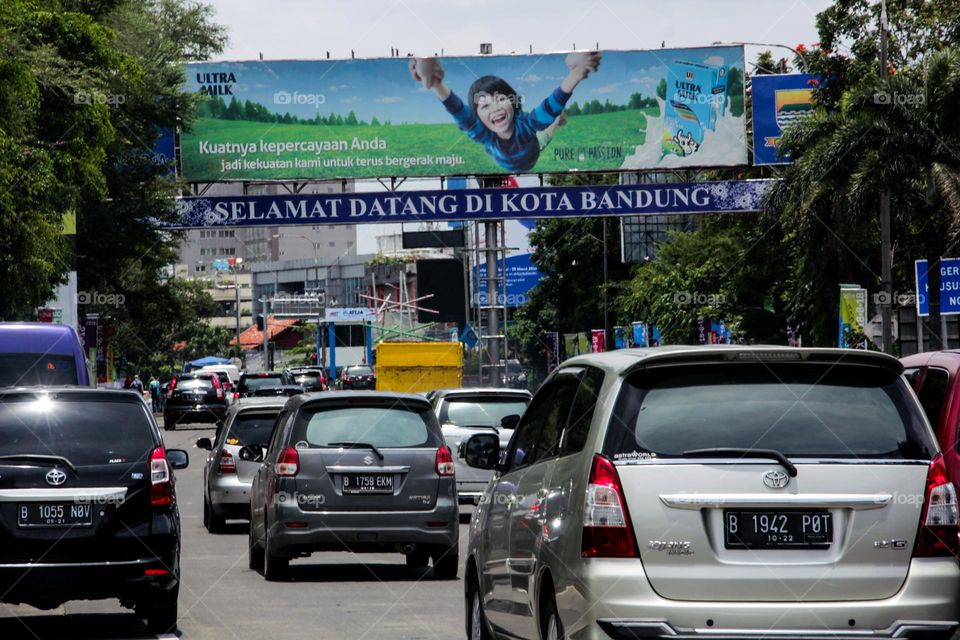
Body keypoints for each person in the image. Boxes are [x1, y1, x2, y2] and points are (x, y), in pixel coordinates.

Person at [409, 51, 600, 172]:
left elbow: (551, 104)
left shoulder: (526, 123)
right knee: (546, 131)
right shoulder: (485, 136)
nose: (496, 107)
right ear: (479, 118)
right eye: (485, 105)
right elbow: (460, 112)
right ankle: (556, 121)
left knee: (547, 131)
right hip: (508, 160)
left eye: (501, 99)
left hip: (534, 149)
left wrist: (576, 74)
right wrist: (435, 84)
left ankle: (557, 121)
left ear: (513, 102)